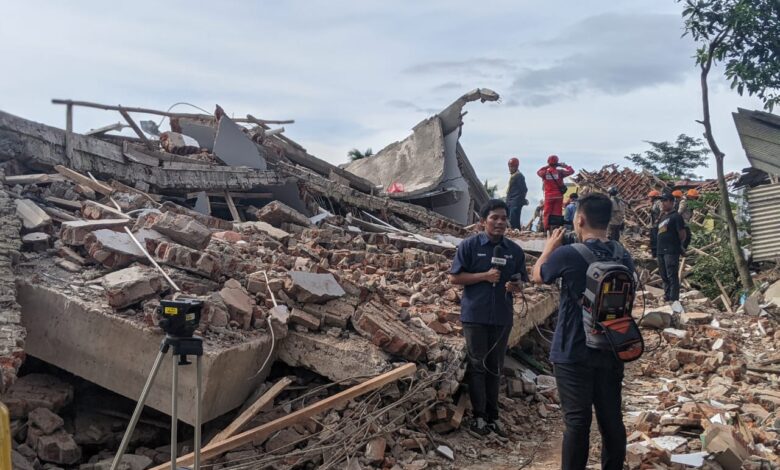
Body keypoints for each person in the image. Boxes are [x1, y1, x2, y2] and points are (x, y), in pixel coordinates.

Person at [531, 193, 635, 470]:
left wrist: (548, 248)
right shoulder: (623, 255)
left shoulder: (568, 253)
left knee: (577, 423)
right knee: (611, 419)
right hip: (612, 347)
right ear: (609, 221)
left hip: (573, 349)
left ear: (579, 218)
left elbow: (538, 276)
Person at [449, 199, 528, 437]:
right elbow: (455, 278)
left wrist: (515, 286)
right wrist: (484, 276)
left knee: (496, 367)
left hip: (502, 316)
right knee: (478, 365)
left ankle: (494, 418)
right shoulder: (469, 246)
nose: (500, 222)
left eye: (504, 218)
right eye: (495, 218)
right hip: (475, 316)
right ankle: (479, 418)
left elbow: (521, 279)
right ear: (483, 221)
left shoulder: (514, 250)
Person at [656, 192, 687, 302]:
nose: (662, 203)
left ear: (671, 202)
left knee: (671, 275)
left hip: (671, 250)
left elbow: (682, 234)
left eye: (664, 201)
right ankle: (667, 295)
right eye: (661, 201)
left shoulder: (676, 216)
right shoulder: (663, 216)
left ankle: (674, 299)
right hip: (660, 250)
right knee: (663, 275)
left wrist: (679, 245)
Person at [537, 155, 574, 231]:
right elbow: (571, 171)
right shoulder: (560, 172)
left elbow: (538, 172)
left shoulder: (544, 173)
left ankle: (546, 229)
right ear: (557, 162)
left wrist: (548, 166)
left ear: (548, 162)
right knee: (557, 213)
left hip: (549, 197)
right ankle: (556, 229)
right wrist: (565, 166)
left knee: (547, 213)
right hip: (558, 197)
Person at [506, 157, 528, 230]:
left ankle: (516, 233)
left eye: (512, 167)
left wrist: (521, 200)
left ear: (516, 166)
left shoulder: (519, 176)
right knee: (510, 219)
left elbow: (524, 189)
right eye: (509, 166)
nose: (510, 168)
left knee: (514, 220)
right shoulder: (513, 175)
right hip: (510, 201)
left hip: (516, 201)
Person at [648, 190, 662, 258]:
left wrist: (658, 219)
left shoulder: (658, 203)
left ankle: (657, 255)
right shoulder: (653, 203)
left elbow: (662, 211)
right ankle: (654, 254)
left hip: (657, 225)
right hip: (653, 225)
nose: (649, 198)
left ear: (654, 197)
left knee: (656, 240)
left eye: (650, 197)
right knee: (653, 240)